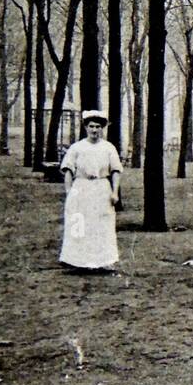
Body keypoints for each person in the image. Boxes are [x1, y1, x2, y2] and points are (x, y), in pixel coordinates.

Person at [59, 110, 122, 272]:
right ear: (86, 127)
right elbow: (68, 170)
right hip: (81, 187)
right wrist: (69, 192)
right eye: (91, 126)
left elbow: (115, 170)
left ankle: (102, 261)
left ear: (102, 129)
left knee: (101, 224)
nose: (95, 130)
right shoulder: (77, 147)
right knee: (80, 223)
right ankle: (78, 261)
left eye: (98, 127)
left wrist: (115, 192)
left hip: (101, 187)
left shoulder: (108, 148)